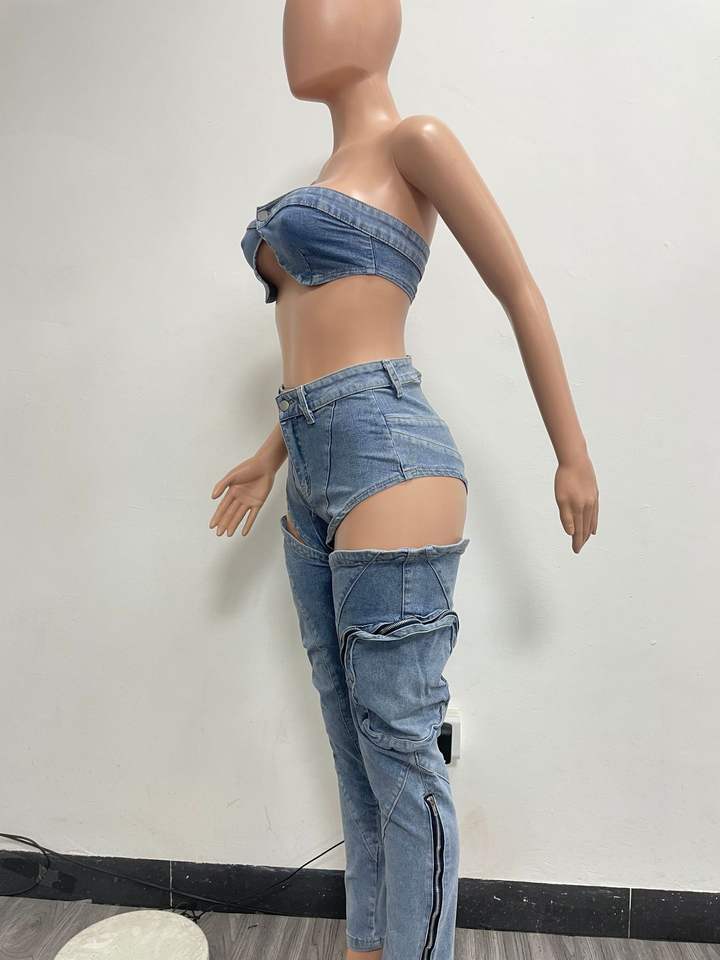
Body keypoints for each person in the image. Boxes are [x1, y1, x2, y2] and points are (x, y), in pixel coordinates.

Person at [210, 2, 599, 958]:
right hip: (308, 462)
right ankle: (369, 944)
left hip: (390, 456)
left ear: (377, 24)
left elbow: (519, 288)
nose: (299, 29)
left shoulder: (414, 141)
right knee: (351, 741)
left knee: (400, 750)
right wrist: (269, 453)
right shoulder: (328, 176)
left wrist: (572, 451)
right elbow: (311, 343)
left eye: (320, 8)